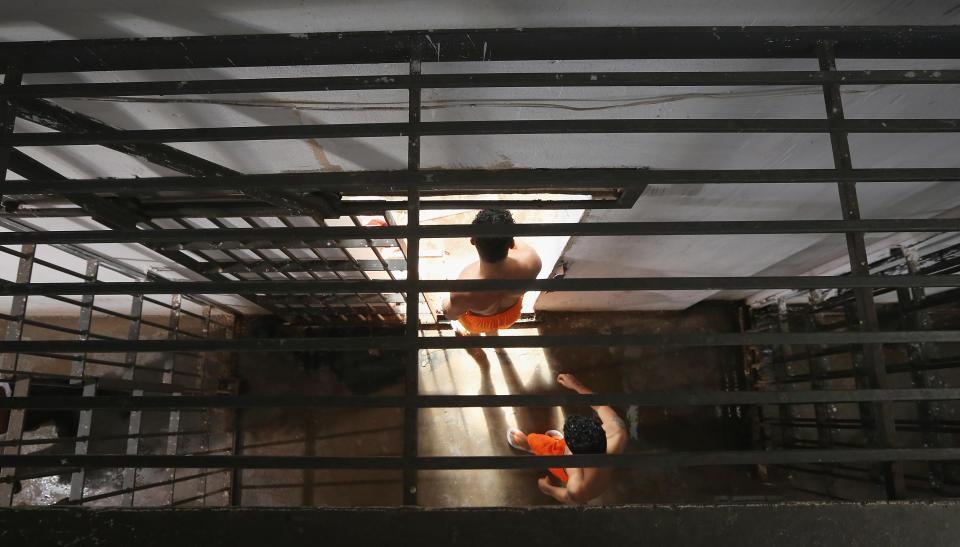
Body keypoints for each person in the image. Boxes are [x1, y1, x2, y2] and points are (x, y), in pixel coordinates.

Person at [507, 373, 628, 504]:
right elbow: (599, 406)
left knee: (537, 442)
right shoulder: (617, 431)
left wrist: (547, 488)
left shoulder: (579, 486)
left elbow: (567, 497)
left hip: (564, 467)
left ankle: (528, 446)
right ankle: (557, 443)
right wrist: (577, 385)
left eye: (568, 442)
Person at [442, 209, 542, 337]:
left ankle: (482, 334)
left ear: (472, 240)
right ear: (511, 243)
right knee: (495, 329)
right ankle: (494, 335)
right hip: (510, 316)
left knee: (472, 328)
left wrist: (446, 302)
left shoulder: (464, 289)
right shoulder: (532, 261)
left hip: (479, 321)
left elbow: (451, 314)